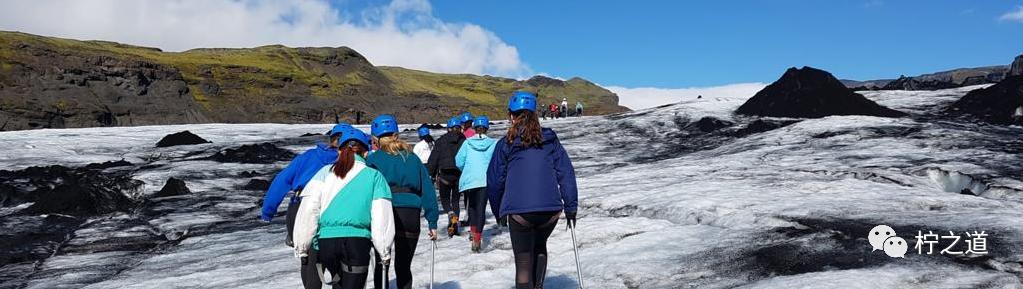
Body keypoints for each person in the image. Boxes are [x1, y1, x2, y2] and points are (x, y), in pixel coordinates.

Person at [487, 91, 579, 289]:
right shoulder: (550, 140)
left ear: (511, 115)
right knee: (539, 246)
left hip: (519, 212)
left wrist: (499, 212)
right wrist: (571, 207)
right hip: (550, 212)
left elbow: (494, 181)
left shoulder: (506, 144)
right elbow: (566, 173)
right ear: (535, 114)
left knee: (523, 261)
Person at [293, 127, 395, 289]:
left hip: (327, 243)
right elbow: (381, 215)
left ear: (339, 151)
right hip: (357, 242)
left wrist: (302, 248)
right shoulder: (374, 176)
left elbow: (309, 210)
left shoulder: (324, 173)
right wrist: (384, 251)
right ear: (365, 152)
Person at [260, 123, 348, 289]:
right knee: (338, 259)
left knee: (308, 259)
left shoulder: (308, 156)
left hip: (299, 208)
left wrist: (268, 211)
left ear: (331, 139)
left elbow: (282, 180)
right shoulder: (348, 161)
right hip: (333, 209)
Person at [366, 115, 440, 289]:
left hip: (384, 212)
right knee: (403, 266)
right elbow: (427, 190)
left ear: (375, 138)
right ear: (396, 134)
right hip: (410, 214)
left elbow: (366, 191)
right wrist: (433, 221)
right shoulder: (412, 158)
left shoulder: (373, 160)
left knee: (381, 265)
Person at [454, 115, 497, 253]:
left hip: (470, 179)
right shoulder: (493, 143)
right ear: (486, 129)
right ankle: (478, 238)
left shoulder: (467, 143)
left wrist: (466, 170)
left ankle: (473, 232)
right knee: (480, 208)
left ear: (475, 128)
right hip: (485, 180)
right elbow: (496, 162)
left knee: (471, 206)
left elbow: (459, 161)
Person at [427, 117, 467, 237]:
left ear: (448, 128)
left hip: (444, 174)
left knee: (445, 199)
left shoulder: (441, 141)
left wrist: (431, 175)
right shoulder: (464, 140)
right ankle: (454, 228)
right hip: (458, 174)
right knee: (455, 200)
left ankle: (450, 213)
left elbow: (433, 159)